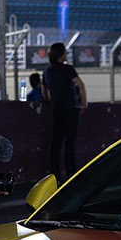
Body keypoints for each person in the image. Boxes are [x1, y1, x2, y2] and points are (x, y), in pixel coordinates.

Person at [41, 42, 87, 182]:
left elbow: (45, 93)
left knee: (56, 145)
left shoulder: (47, 71)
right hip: (71, 110)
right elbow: (81, 85)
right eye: (65, 53)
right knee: (70, 145)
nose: (67, 54)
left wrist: (53, 99)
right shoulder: (68, 69)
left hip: (57, 110)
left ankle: (54, 176)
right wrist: (84, 103)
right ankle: (71, 176)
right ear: (61, 56)